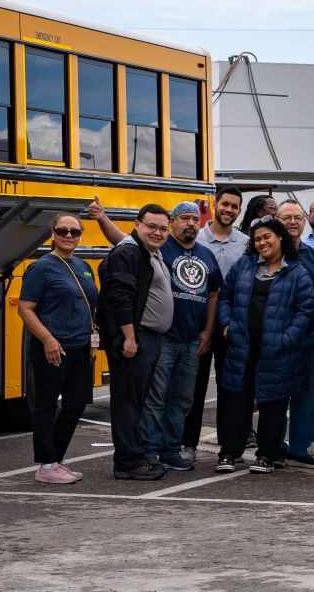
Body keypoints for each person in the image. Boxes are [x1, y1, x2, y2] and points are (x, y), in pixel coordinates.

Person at [216, 217, 314, 474]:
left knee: (273, 405)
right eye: (258, 239)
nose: (262, 243)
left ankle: (267, 455)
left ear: (280, 237)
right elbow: (225, 296)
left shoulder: (297, 272)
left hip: (277, 352)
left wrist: (286, 339)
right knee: (236, 403)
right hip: (242, 347)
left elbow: (306, 311)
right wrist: (227, 324)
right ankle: (229, 453)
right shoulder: (244, 266)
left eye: (267, 237)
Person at [137, 202, 222, 473]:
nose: (190, 224)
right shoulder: (160, 249)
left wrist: (208, 331)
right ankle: (150, 450)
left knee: (183, 398)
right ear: (172, 222)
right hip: (164, 336)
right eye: (184, 218)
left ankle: (171, 449)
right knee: (156, 396)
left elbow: (213, 295)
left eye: (195, 219)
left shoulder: (207, 255)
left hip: (192, 340)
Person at [18, 213, 98, 485]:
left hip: (79, 347)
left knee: (76, 403)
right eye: (63, 230)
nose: (69, 236)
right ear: (52, 233)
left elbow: (89, 304)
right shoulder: (42, 267)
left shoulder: (83, 265)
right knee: (46, 405)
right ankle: (46, 463)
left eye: (75, 232)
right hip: (52, 347)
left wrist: (92, 335)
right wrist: (48, 339)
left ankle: (57, 459)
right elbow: (25, 308)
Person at [98, 204, 175, 481]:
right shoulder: (129, 251)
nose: (157, 232)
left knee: (138, 400)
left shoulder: (145, 251)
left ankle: (136, 454)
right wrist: (129, 337)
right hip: (136, 338)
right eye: (152, 226)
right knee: (128, 401)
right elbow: (120, 296)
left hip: (149, 338)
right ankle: (127, 462)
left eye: (163, 228)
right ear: (138, 224)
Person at [184, 185, 249, 461]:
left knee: (229, 385)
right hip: (197, 322)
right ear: (215, 203)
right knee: (193, 386)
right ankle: (187, 444)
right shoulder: (195, 238)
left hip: (229, 323)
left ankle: (229, 447)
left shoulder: (245, 242)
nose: (229, 210)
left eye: (235, 206)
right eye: (225, 204)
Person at [277, 201, 314, 468]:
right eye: (287, 218)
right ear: (277, 219)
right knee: (276, 394)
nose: (293, 222)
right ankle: (273, 446)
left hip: (307, 336)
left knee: (308, 395)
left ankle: (299, 447)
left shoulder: (312, 256)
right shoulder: (266, 251)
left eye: (298, 217)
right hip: (277, 336)